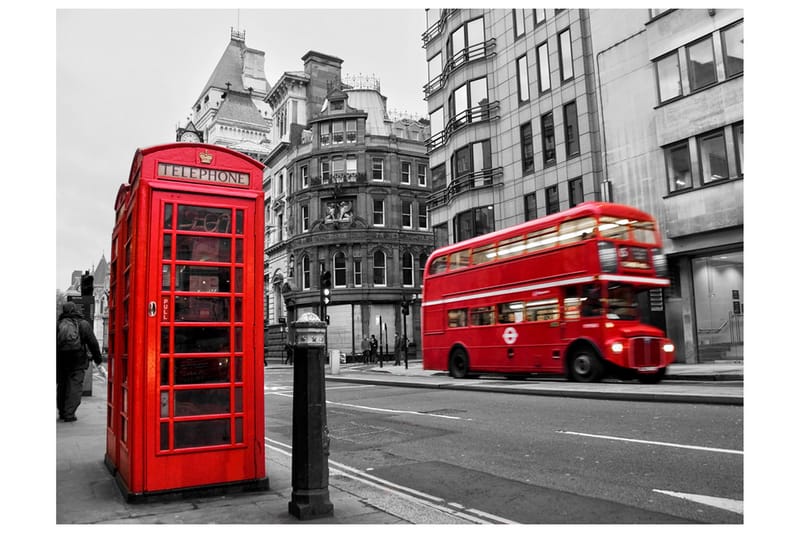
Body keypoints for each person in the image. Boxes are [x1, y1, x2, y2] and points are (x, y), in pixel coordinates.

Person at [56, 301, 102, 422]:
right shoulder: (83, 324)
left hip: (61, 360)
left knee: (62, 386)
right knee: (75, 387)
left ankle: (62, 411)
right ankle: (69, 414)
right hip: (78, 360)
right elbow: (93, 343)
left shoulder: (58, 324)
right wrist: (98, 359)